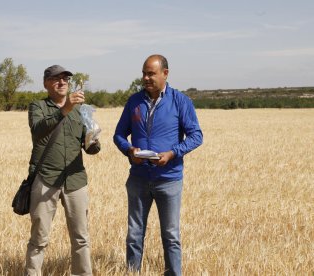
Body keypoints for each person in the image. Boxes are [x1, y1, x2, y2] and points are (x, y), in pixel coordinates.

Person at [113, 54, 203, 275]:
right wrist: (129, 150)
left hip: (169, 180)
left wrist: (172, 153)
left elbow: (196, 136)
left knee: (171, 235)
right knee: (134, 234)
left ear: (165, 73)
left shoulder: (180, 101)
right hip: (138, 179)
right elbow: (118, 135)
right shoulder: (134, 101)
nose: (146, 77)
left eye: (151, 73)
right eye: (144, 73)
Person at [25, 65, 100, 276]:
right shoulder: (37, 106)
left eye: (65, 79)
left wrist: (93, 142)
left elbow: (90, 147)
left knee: (81, 238)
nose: (62, 82)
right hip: (46, 178)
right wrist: (65, 108)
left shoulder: (81, 110)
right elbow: (39, 129)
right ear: (46, 83)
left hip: (75, 179)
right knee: (39, 238)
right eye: (56, 79)